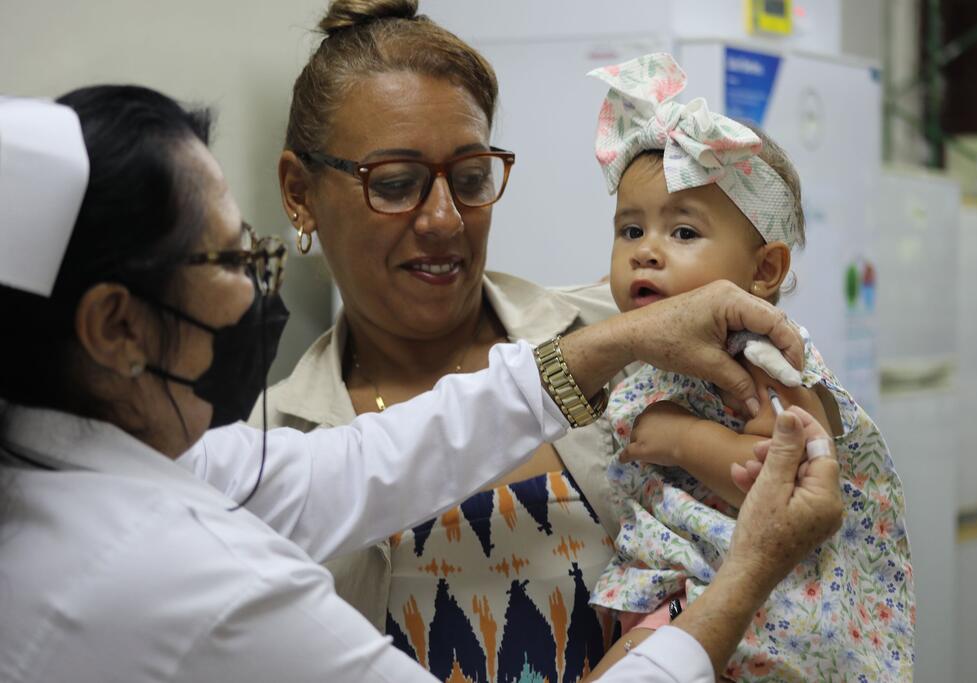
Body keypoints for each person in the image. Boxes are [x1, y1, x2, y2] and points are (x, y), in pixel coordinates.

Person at [0, 88, 842, 683]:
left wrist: (613, 343)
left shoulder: (84, 471)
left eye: (469, 178)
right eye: (229, 259)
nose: (255, 287)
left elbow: (367, 464)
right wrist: (743, 579)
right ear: (115, 325)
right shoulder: (187, 576)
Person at [263, 2, 658, 679]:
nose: (445, 220)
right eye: (396, 184)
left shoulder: (619, 342)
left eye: (472, 178)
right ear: (300, 193)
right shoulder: (272, 445)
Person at [579, 53, 915, 681]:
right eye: (630, 231)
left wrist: (681, 437)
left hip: (750, 603)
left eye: (683, 233)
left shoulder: (765, 354)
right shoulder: (637, 352)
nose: (646, 252)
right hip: (670, 582)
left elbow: (780, 478)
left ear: (763, 271)